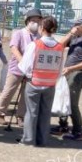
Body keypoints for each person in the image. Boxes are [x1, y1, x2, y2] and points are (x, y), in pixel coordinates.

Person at [18, 16, 63, 146]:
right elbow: (60, 69)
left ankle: (28, 140)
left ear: (42, 28)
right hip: (50, 84)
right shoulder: (59, 47)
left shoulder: (35, 45)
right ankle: (42, 140)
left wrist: (27, 75)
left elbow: (25, 66)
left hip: (34, 83)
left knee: (31, 113)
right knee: (45, 113)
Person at [51, 16, 82, 141]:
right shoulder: (76, 38)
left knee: (72, 102)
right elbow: (60, 45)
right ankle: (63, 126)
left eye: (77, 25)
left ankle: (78, 131)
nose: (74, 27)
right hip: (68, 72)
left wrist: (71, 69)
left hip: (78, 74)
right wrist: (71, 33)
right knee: (63, 98)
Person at [0, 8, 43, 126]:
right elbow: (14, 48)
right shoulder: (19, 33)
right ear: (27, 21)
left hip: (31, 71)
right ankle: (1, 112)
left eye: (38, 20)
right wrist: (23, 62)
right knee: (9, 90)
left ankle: (20, 116)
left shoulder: (39, 36)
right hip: (17, 68)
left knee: (26, 94)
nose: (35, 23)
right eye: (33, 20)